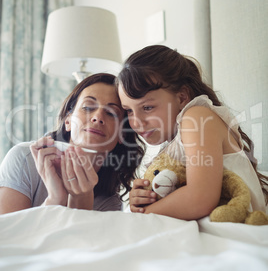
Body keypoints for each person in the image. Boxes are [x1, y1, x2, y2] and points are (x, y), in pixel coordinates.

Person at [117, 45, 268, 219]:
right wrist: (145, 198)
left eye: (147, 107)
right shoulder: (174, 142)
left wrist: (144, 213)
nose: (136, 121)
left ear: (182, 97)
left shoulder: (196, 117)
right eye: (128, 111)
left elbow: (200, 198)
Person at [0, 73, 145, 214]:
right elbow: (9, 236)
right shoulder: (25, 159)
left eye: (111, 113)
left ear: (122, 134)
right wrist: (55, 199)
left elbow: (73, 239)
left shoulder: (110, 201)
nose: (98, 117)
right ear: (68, 121)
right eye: (88, 107)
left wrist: (81, 200)